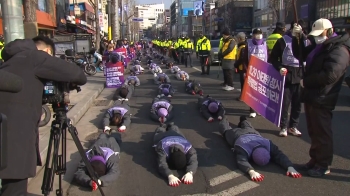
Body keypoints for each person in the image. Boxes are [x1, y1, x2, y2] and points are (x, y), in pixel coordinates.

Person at [0, 35, 87, 195]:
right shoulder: (36, 57)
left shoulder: (10, 62)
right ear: (47, 51)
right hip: (14, 138)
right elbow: (78, 75)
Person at [292, 18, 350, 177]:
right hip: (313, 95)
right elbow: (301, 54)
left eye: (319, 34)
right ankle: (315, 160)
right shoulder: (321, 46)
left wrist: (306, 81)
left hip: (323, 96)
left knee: (322, 133)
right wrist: (297, 38)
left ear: (330, 31)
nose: (316, 37)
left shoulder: (339, 49)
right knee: (314, 131)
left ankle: (323, 165)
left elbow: (330, 75)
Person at [219, 116, 302, 182]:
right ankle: (229, 120)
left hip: (251, 133)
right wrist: (251, 171)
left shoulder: (267, 144)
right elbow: (241, 160)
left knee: (247, 126)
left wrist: (289, 166)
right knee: (226, 131)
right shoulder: (245, 148)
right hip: (237, 135)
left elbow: (279, 155)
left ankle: (237, 119)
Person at [269, 21, 304, 137]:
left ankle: (293, 126)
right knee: (285, 104)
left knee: (297, 104)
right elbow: (273, 58)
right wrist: (280, 67)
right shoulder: (282, 41)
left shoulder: (306, 40)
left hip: (300, 76)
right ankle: (283, 126)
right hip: (286, 76)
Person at [245, 28, 268, 118]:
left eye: (259, 33)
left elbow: (267, 57)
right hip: (252, 71)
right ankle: (252, 109)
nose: (258, 35)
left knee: (261, 91)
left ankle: (259, 108)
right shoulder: (249, 44)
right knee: (253, 91)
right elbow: (244, 58)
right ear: (253, 35)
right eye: (256, 34)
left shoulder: (265, 44)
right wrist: (246, 70)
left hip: (262, 71)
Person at [234, 32, 247, 101]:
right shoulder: (241, 46)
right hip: (241, 67)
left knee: (243, 83)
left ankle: (243, 97)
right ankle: (242, 96)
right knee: (242, 82)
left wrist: (236, 64)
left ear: (239, 39)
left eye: (237, 38)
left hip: (243, 68)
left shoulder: (243, 47)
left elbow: (242, 58)